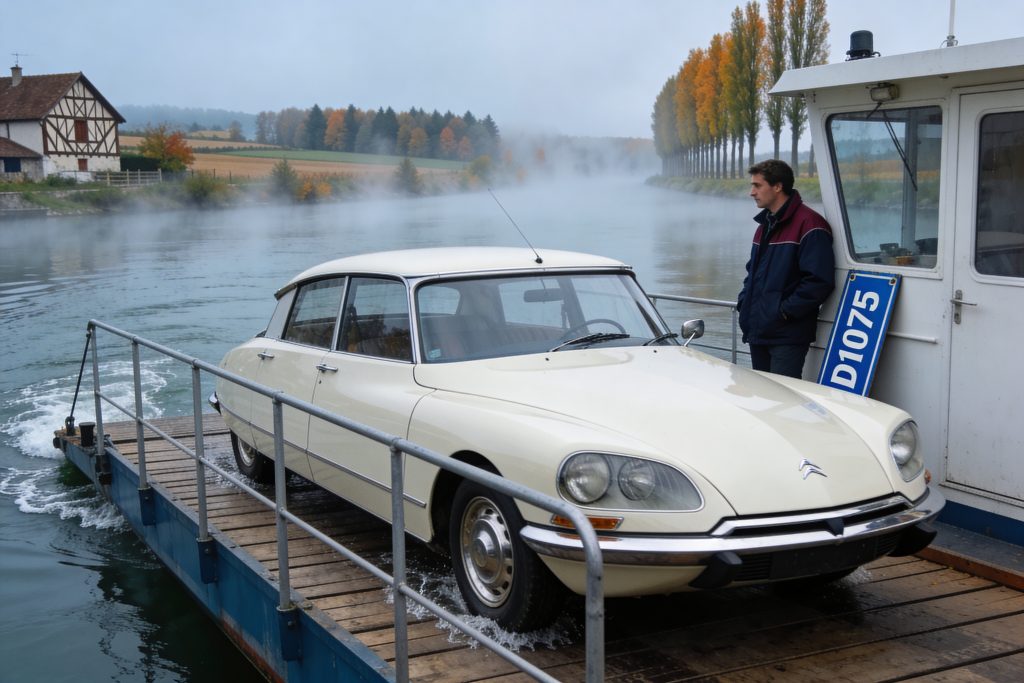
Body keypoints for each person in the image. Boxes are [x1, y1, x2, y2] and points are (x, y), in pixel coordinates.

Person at [737, 160, 834, 378]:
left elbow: (819, 281)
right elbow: (752, 273)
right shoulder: (764, 226)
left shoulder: (811, 225)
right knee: (763, 399)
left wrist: (782, 312)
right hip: (759, 331)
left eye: (757, 186)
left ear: (778, 186)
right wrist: (744, 302)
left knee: (785, 404)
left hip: (786, 335)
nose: (751, 192)